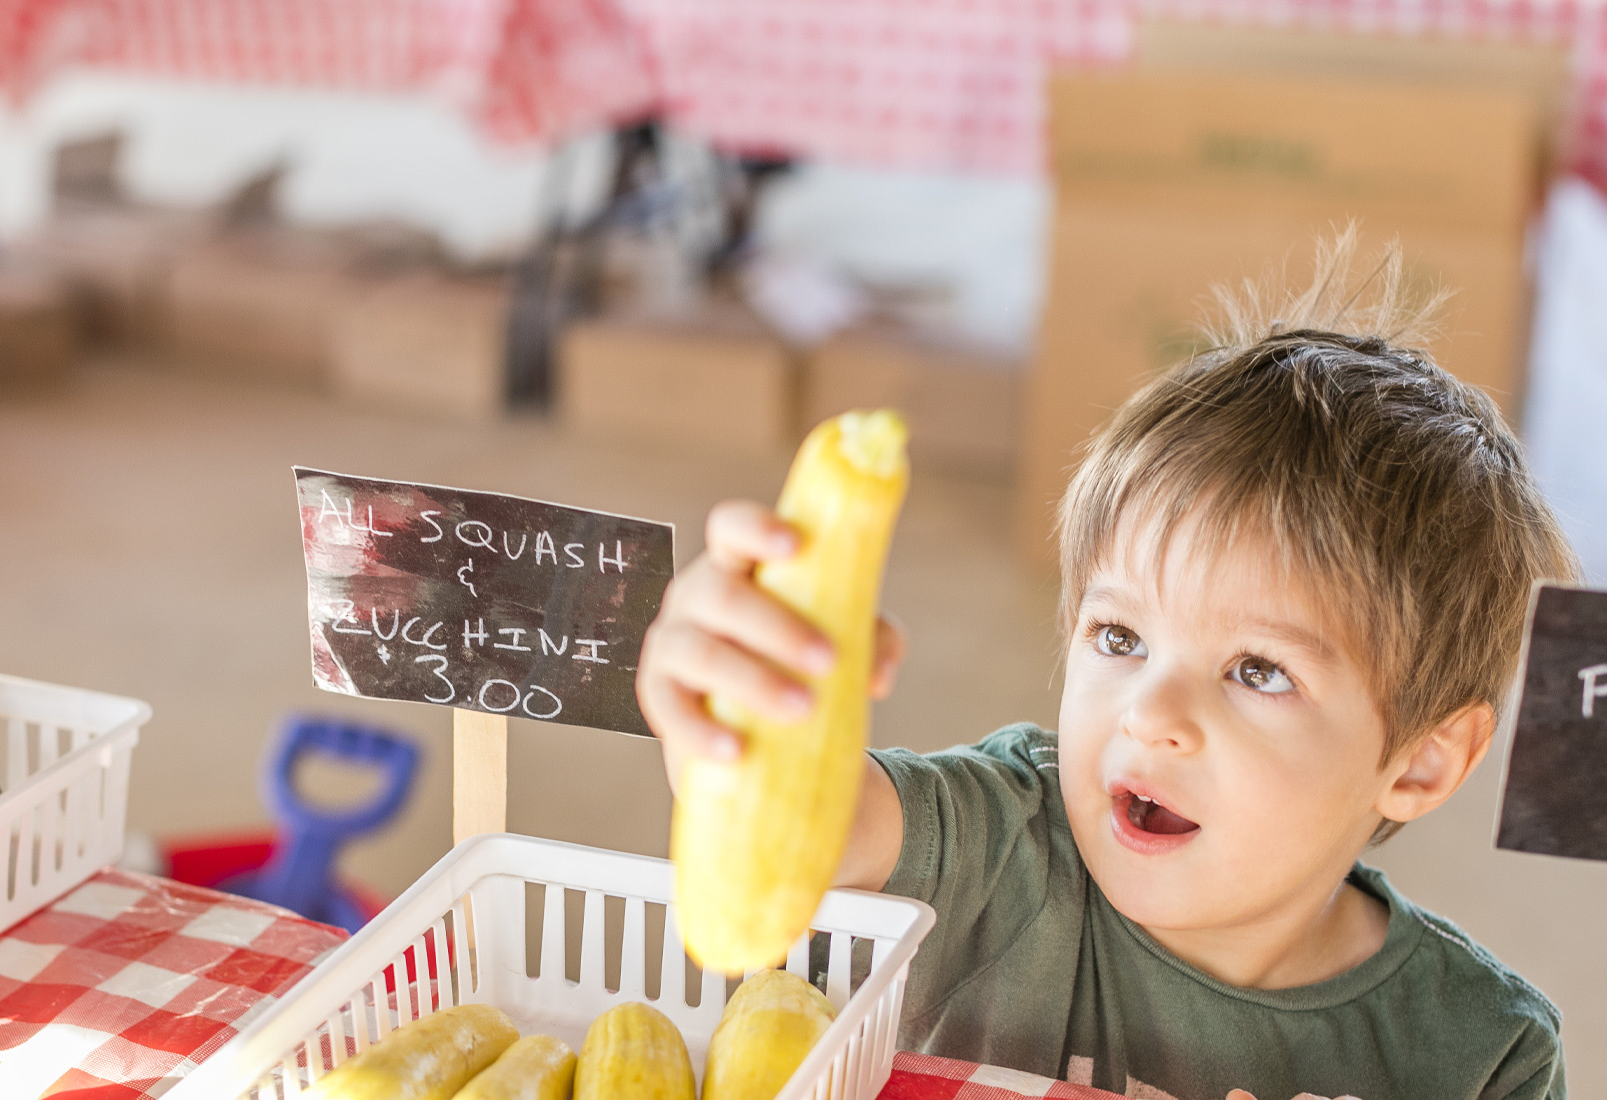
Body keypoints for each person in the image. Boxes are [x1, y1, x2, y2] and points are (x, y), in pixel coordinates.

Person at [636, 232, 1577, 1100]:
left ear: (1419, 760)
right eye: (1120, 639)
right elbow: (810, 825)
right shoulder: (1000, 841)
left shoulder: (1484, 1055)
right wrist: (729, 710)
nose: (1150, 712)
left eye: (1257, 670)